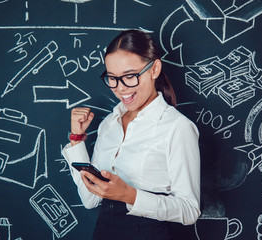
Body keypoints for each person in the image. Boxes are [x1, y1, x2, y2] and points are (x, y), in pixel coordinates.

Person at [62, 29, 200, 240]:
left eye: (130, 76)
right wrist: (77, 139)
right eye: (112, 78)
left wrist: (129, 195)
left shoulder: (177, 127)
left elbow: (190, 210)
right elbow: (90, 200)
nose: (120, 88)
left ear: (154, 69)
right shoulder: (109, 124)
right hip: (103, 233)